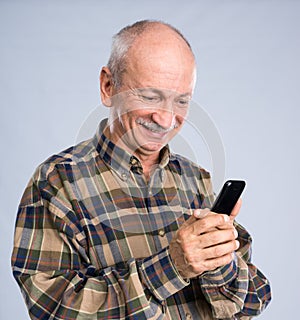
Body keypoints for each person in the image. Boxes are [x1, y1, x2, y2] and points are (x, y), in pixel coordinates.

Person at [11, 20, 271, 320]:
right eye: (149, 97)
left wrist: (219, 262)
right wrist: (171, 266)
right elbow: (53, 311)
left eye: (182, 101)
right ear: (108, 87)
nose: (165, 119)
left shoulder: (197, 180)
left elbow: (253, 302)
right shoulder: (56, 182)